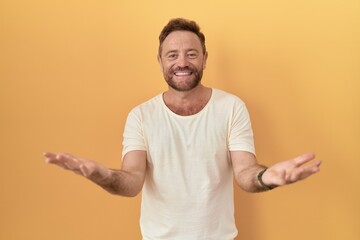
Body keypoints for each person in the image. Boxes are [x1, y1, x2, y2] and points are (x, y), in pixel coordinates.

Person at [44, 18, 321, 240]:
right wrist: (102, 175)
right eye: (172, 55)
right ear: (160, 61)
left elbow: (245, 172)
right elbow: (131, 180)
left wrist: (267, 177)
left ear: (204, 58)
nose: (182, 62)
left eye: (191, 54)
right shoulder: (141, 116)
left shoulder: (231, 108)